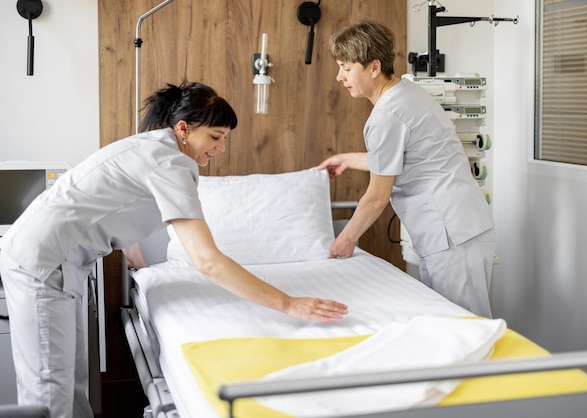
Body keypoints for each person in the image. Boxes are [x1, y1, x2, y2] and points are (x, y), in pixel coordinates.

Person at [0, 81, 348, 418]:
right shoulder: (169, 161)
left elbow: (115, 205)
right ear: (183, 129)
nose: (221, 148)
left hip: (56, 261)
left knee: (68, 383)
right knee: (50, 392)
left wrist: (137, 262)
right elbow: (207, 261)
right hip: (43, 262)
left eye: (225, 138)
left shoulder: (153, 148)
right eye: (215, 137)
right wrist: (289, 303)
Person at [317, 21, 495, 318]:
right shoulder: (406, 94)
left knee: (465, 327)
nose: (339, 76)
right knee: (453, 326)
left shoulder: (387, 114)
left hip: (451, 233)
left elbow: (377, 195)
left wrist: (345, 240)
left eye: (346, 68)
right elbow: (401, 158)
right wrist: (347, 159)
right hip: (456, 229)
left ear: (373, 67)